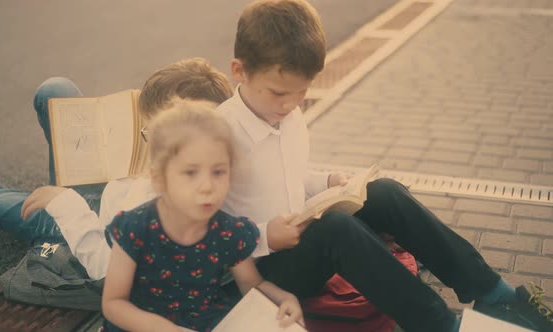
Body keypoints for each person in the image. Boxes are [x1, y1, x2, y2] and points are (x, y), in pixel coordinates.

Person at [215, 0, 553, 331]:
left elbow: (287, 175)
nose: (290, 104)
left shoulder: (286, 116)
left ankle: (495, 294)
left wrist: (328, 182)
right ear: (239, 71)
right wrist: (263, 236)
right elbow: (199, 220)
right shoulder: (219, 135)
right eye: (278, 93)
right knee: (337, 229)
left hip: (298, 240)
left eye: (302, 92)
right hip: (257, 270)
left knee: (384, 193)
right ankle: (440, 325)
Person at [0, 58, 235, 304]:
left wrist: (63, 203)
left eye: (149, 132)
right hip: (110, 186)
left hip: (79, 225)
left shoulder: (158, 205)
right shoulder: (210, 160)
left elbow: (106, 269)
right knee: (56, 90)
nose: (147, 137)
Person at [101, 100, 303, 332]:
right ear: (159, 178)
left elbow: (252, 284)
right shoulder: (136, 227)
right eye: (190, 173)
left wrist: (285, 298)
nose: (207, 186)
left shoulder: (227, 231)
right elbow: (113, 303)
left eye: (218, 172)